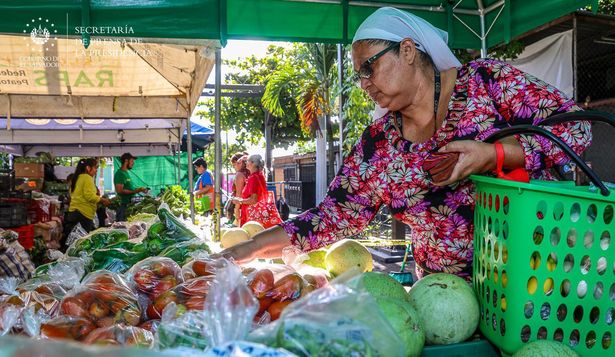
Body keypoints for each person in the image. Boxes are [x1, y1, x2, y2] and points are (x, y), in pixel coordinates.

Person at [220, 7, 591, 281]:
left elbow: (578, 130)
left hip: (536, 276)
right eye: (358, 75)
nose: (364, 83)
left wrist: (494, 154)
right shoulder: (378, 146)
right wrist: (249, 249)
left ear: (409, 51)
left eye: (369, 67)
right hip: (445, 296)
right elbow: (332, 214)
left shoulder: (486, 83)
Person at [62, 158, 111, 249]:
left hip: (74, 213)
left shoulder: (77, 178)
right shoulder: (87, 178)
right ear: (88, 168)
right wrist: (103, 200)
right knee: (81, 244)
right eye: (95, 168)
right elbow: (90, 196)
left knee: (73, 242)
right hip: (83, 214)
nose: (96, 170)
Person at [232, 154, 282, 228]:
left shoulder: (253, 178)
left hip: (253, 218)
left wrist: (239, 201)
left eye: (247, 161)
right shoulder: (259, 175)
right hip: (256, 217)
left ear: (252, 163)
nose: (245, 163)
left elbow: (253, 200)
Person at [114, 153, 147, 222]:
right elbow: (119, 190)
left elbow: (128, 187)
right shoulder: (120, 173)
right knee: (122, 226)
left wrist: (139, 189)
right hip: (123, 206)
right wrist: (135, 191)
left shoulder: (126, 173)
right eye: (132, 161)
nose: (133, 163)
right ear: (126, 161)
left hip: (128, 204)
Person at [228, 152, 250, 222]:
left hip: (241, 206)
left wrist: (236, 209)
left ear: (241, 163)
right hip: (250, 206)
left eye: (235, 164)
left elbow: (239, 195)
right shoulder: (251, 173)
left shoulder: (239, 175)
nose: (235, 167)